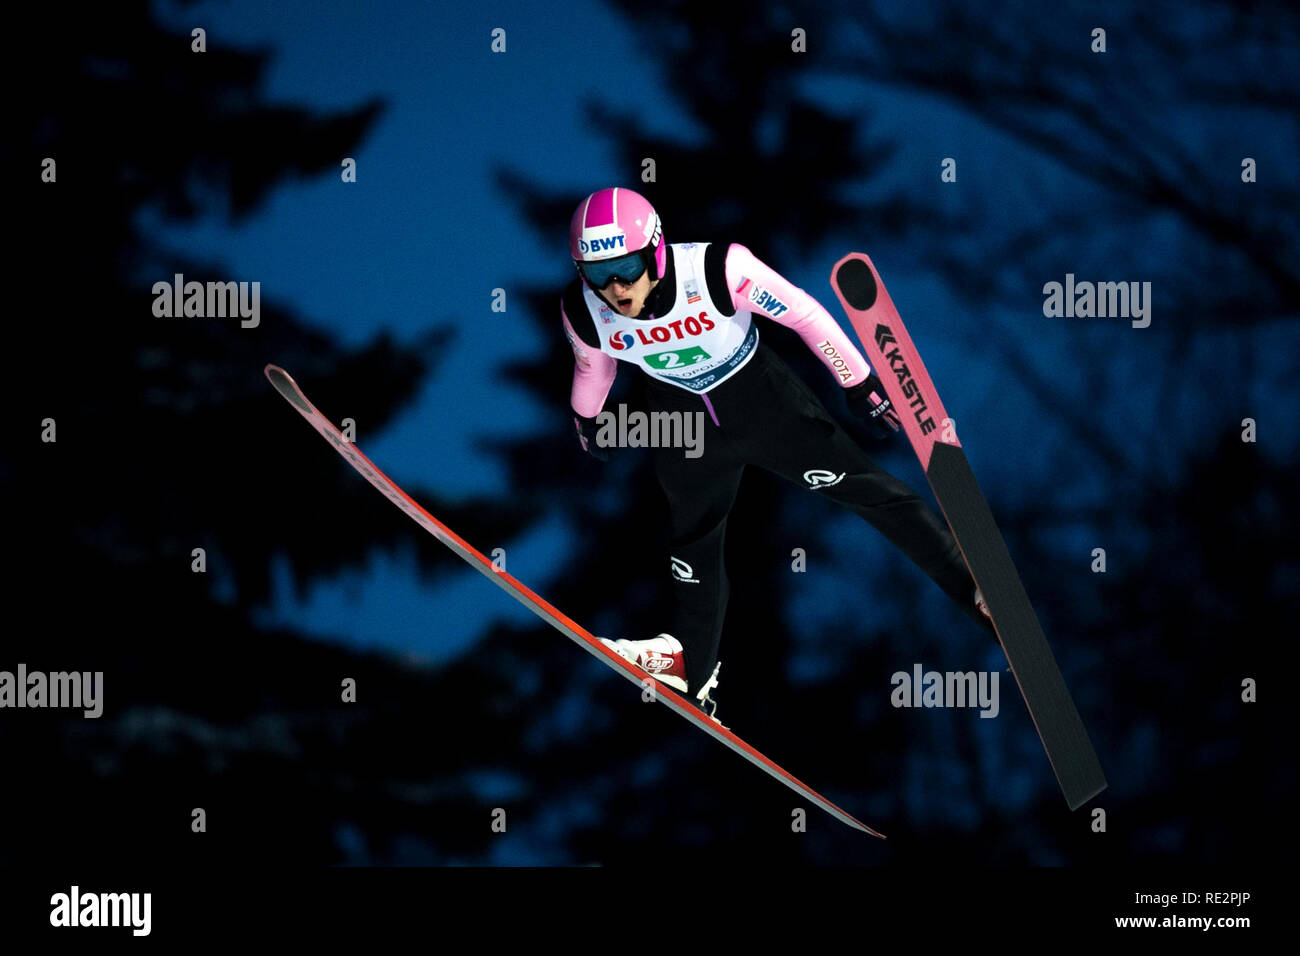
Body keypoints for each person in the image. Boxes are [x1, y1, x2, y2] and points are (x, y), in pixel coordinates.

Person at [560, 186, 994, 722]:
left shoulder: (718, 269)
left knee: (865, 489)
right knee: (694, 540)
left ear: (653, 250)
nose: (616, 287)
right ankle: (690, 665)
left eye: (625, 266)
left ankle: (971, 585)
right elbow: (593, 368)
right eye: (598, 273)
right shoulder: (584, 314)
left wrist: (857, 382)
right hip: (684, 427)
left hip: (762, 405)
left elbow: (804, 314)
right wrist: (589, 420)